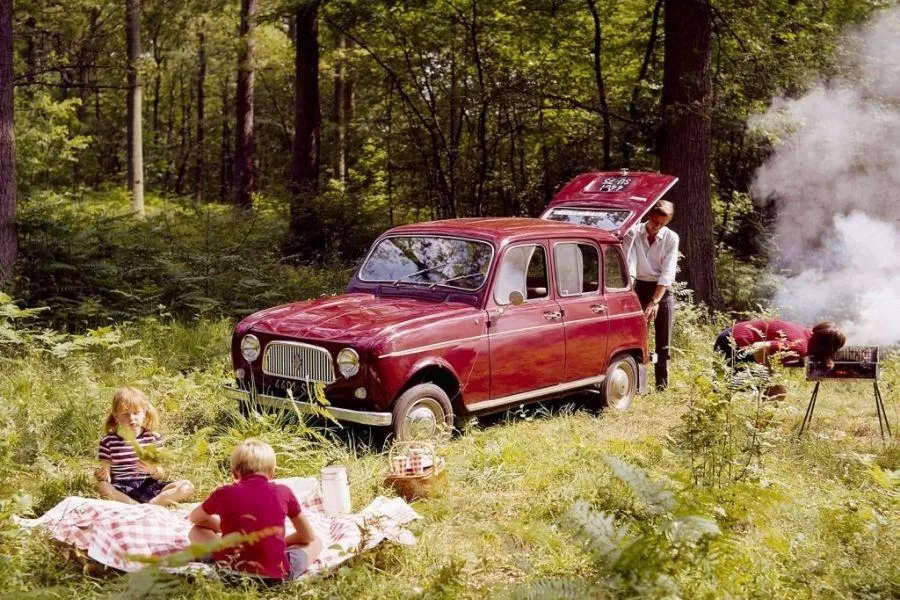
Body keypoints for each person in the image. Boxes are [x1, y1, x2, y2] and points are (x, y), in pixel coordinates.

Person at [188, 439, 323, 582]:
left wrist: (223, 529)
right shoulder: (283, 492)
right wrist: (280, 542)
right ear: (272, 473)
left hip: (228, 573)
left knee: (196, 531)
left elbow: (194, 518)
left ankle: (214, 555)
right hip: (275, 576)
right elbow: (308, 536)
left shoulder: (223, 492)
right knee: (316, 541)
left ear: (234, 473)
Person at [95, 387, 194, 506]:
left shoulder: (152, 438)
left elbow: (160, 473)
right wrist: (103, 474)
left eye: (136, 413)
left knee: (187, 486)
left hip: (148, 486)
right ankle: (138, 506)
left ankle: (150, 505)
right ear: (116, 417)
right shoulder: (108, 441)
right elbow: (105, 470)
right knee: (102, 486)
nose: (131, 418)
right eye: (125, 414)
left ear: (144, 413)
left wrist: (153, 470)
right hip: (122, 488)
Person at [623, 200, 679, 390]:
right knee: (638, 337)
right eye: (655, 222)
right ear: (649, 216)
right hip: (639, 287)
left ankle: (662, 386)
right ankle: (639, 385)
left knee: (663, 341)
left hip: (662, 292)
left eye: (662, 224)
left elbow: (668, 272)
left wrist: (655, 301)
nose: (657, 227)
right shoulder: (634, 232)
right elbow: (629, 263)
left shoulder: (671, 238)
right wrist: (629, 290)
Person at [714, 319, 846, 368]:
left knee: (722, 387)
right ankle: (760, 429)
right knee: (777, 392)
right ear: (826, 348)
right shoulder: (801, 346)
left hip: (729, 334)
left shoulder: (805, 333)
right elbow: (758, 348)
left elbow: (776, 352)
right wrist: (767, 373)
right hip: (733, 344)